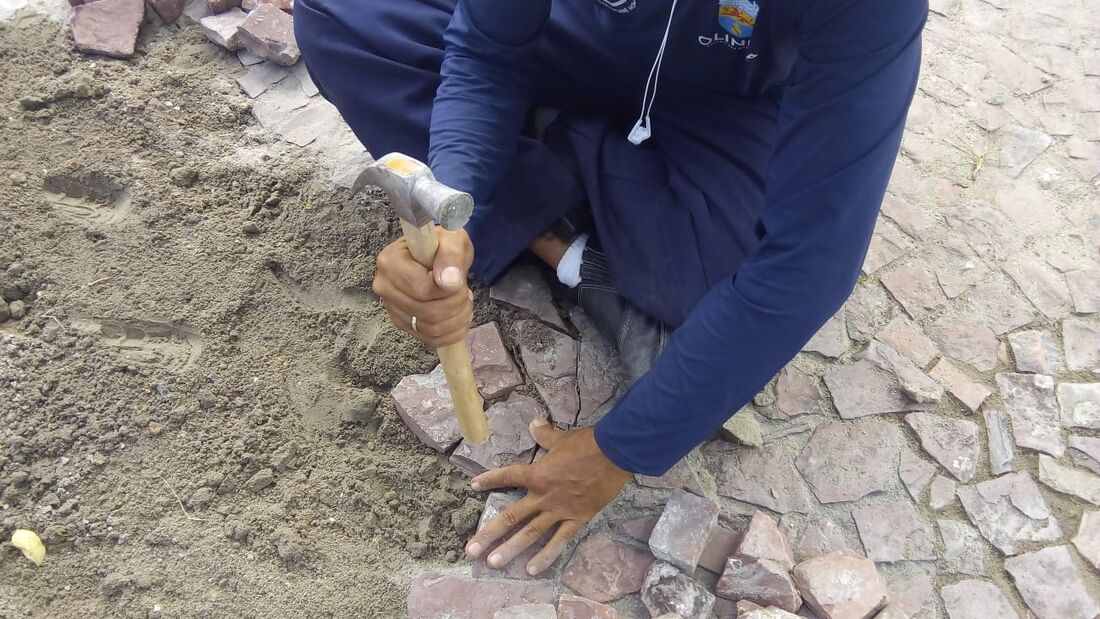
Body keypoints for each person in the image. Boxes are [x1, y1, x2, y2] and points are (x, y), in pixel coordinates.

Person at [295, 0, 927, 576]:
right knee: (343, 18)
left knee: (724, 287)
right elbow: (487, 53)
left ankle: (549, 188)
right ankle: (553, 209)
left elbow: (809, 262)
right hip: (568, 37)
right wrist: (447, 203)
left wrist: (616, 451)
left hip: (727, 97)